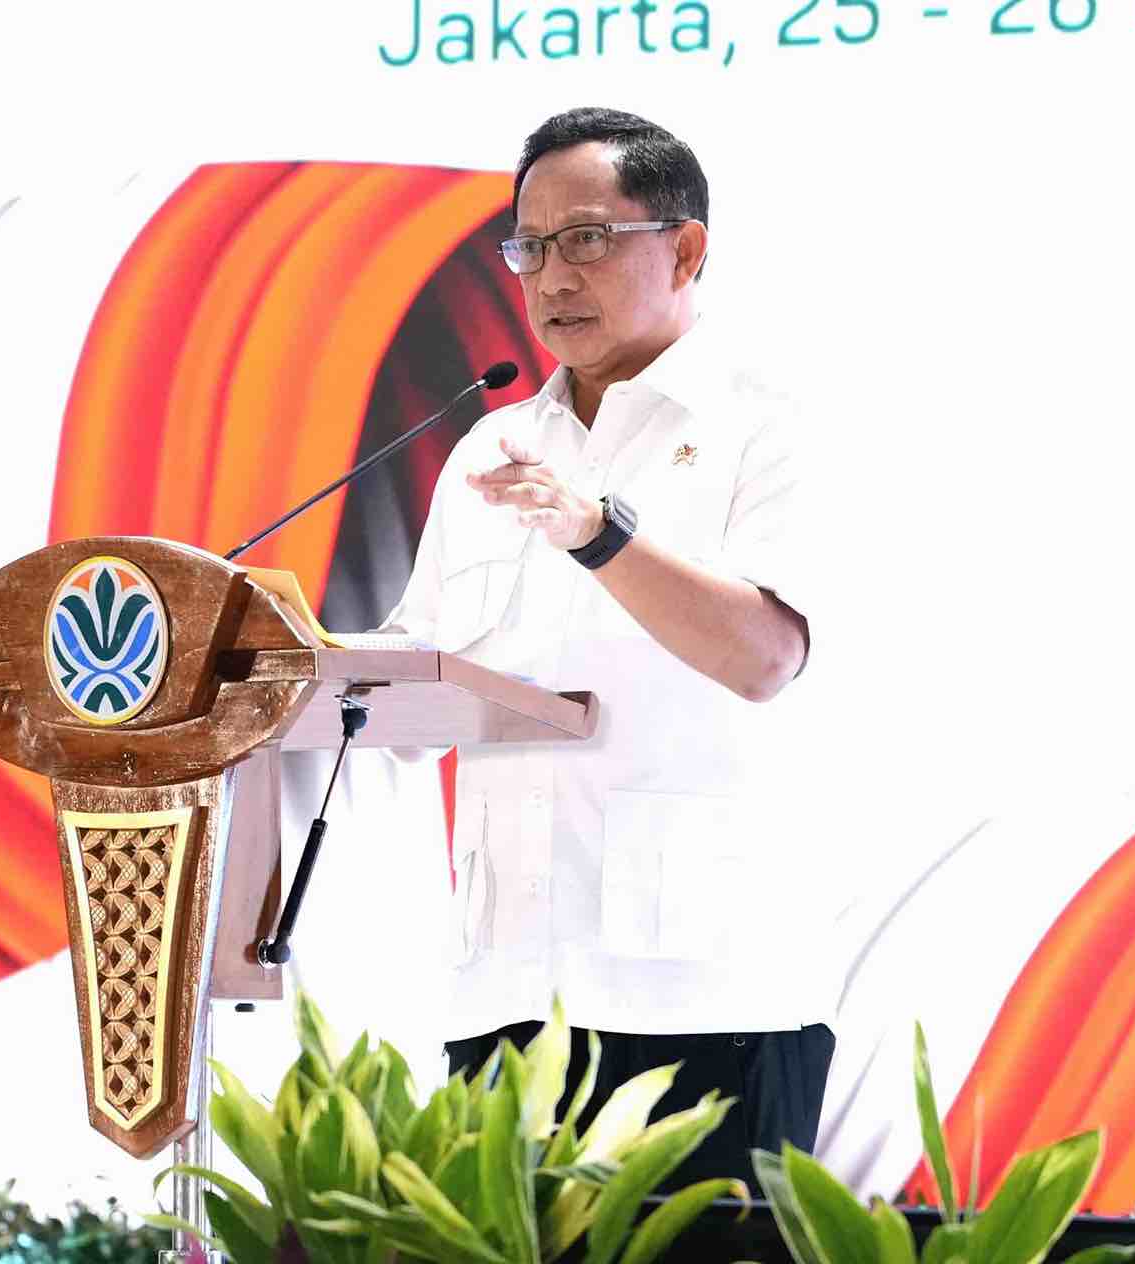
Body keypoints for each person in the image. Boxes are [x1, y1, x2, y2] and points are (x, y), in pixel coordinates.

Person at [382, 107, 834, 1191]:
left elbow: (764, 656)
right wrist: (301, 664)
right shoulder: (491, 444)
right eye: (529, 248)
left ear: (684, 248)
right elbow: (417, 671)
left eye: (585, 238)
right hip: (506, 990)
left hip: (708, 995)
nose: (551, 276)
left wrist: (600, 534)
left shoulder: (769, 420)